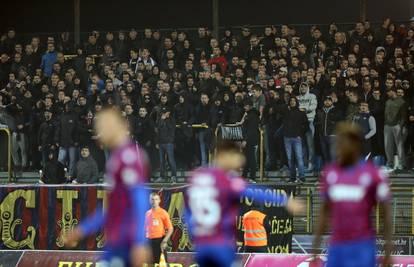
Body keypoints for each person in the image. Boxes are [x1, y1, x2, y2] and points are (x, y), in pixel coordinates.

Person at [186, 140, 303, 267]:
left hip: (202, 244)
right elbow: (251, 191)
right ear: (224, 156)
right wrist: (283, 200)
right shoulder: (224, 179)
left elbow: (188, 210)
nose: (240, 160)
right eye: (236, 155)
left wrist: (192, 233)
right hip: (220, 243)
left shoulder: (197, 177)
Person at [63, 108, 151, 267]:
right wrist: (82, 229)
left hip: (127, 242)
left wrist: (139, 241)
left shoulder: (128, 157)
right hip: (115, 241)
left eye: (103, 126)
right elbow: (113, 209)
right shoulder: (116, 157)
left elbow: (139, 197)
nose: (99, 131)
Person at [312, 122, 392, 267]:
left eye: (342, 141)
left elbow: (386, 215)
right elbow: (323, 213)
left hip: (362, 247)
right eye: (337, 142)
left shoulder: (374, 174)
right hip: (336, 247)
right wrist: (314, 251)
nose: (338, 146)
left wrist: (388, 253)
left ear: (355, 144)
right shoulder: (330, 173)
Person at [282, 96, 309, 183]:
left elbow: (306, 125)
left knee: (299, 157)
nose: (292, 102)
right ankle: (292, 177)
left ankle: (302, 177)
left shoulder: (301, 113)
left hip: (297, 138)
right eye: (291, 100)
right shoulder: (286, 112)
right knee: (290, 158)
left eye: (294, 100)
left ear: (297, 102)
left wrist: (300, 134)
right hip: (287, 137)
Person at [145, 192, 174, 264]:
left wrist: (164, 241)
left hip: (160, 241)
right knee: (150, 262)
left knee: (162, 263)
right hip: (149, 241)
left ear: (159, 200)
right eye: (152, 199)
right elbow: (145, 228)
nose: (154, 201)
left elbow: (170, 228)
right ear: (149, 200)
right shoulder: (147, 213)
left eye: (156, 199)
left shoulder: (163, 212)